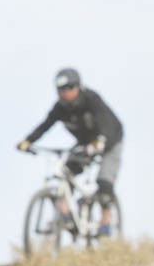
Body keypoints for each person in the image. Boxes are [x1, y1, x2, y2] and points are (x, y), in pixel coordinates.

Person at [17, 68, 123, 236]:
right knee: (66, 172)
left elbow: (106, 123)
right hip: (85, 144)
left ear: (78, 87)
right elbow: (45, 125)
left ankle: (105, 222)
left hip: (111, 141)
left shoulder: (91, 100)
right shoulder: (61, 108)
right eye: (60, 90)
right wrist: (28, 141)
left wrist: (101, 141)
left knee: (104, 182)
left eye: (68, 89)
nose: (64, 93)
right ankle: (65, 212)